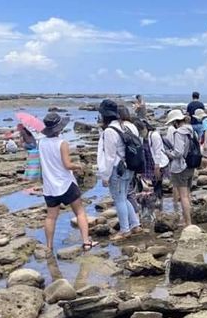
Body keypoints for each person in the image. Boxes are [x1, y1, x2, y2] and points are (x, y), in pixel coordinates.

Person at [38, 112, 97, 253]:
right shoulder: (62, 143)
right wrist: (79, 166)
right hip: (65, 183)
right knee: (80, 212)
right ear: (59, 128)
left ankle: (49, 247)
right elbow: (67, 165)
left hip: (50, 186)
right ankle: (86, 242)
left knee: (51, 217)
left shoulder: (41, 142)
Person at [97, 99, 142, 241]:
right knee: (124, 197)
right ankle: (135, 224)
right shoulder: (128, 127)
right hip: (130, 167)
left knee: (119, 199)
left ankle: (124, 230)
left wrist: (104, 175)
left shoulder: (110, 131)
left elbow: (109, 157)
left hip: (117, 169)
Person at [163, 109, 196, 227]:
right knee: (187, 194)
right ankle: (188, 219)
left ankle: (187, 222)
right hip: (191, 165)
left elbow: (178, 152)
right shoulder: (191, 130)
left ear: (176, 122)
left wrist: (167, 153)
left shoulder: (178, 133)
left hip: (181, 167)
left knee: (183, 196)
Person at [136, 119, 169, 205]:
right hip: (148, 162)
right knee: (151, 183)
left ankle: (159, 202)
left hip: (158, 163)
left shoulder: (154, 135)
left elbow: (157, 151)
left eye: (141, 130)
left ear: (145, 127)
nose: (140, 133)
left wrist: (157, 166)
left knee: (157, 183)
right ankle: (156, 202)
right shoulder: (142, 138)